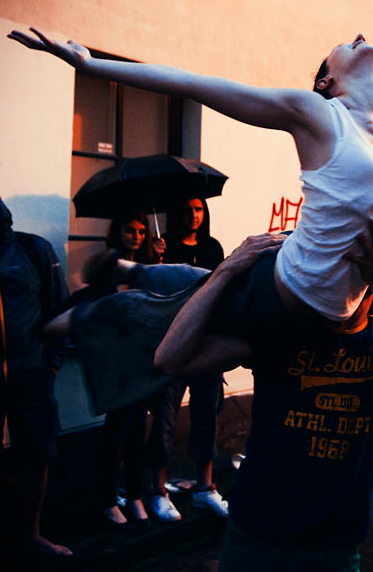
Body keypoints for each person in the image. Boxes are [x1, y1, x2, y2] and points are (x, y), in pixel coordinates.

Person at [9, 28, 373, 329]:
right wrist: (93, 66)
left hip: (343, 309)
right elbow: (195, 84)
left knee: (202, 289)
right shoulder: (317, 114)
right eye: (345, 42)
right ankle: (99, 308)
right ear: (327, 80)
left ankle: (129, 271)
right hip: (290, 286)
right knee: (188, 305)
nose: (359, 36)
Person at [152, 219, 373, 570]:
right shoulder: (282, 334)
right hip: (256, 539)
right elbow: (171, 359)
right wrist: (226, 271)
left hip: (335, 547)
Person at [0, 181, 72, 570]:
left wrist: (52, 361)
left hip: (31, 375)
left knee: (37, 455)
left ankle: (30, 534)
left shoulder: (32, 249)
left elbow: (58, 307)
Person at [147, 196, 228, 521]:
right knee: (165, 416)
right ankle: (158, 491)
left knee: (207, 413)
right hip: (173, 339)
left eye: (198, 209)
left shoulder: (212, 247)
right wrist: (154, 259)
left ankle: (204, 488)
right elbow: (151, 289)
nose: (194, 215)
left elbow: (223, 286)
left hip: (206, 341)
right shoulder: (163, 247)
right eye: (188, 209)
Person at [89, 210, 164, 530]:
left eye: (141, 231)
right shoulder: (108, 267)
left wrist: (158, 268)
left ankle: (135, 494)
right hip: (117, 362)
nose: (136, 237)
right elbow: (98, 309)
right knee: (116, 431)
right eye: (129, 230)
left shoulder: (147, 268)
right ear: (117, 232)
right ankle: (106, 499)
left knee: (138, 430)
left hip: (142, 360)